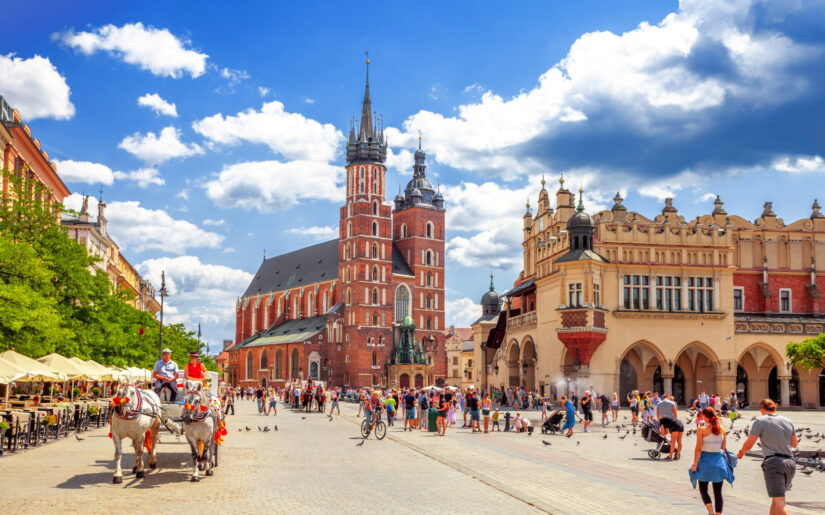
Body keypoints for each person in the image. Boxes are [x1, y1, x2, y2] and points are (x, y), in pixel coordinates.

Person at [737, 398, 797, 515]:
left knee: (779, 501)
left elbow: (749, 443)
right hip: (790, 463)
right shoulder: (788, 421)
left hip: (774, 463)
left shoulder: (760, 421)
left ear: (762, 409)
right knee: (776, 499)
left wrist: (741, 452)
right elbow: (794, 444)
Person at [690, 407, 731, 515]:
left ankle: (711, 512)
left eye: (702, 416)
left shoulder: (701, 429)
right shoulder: (722, 429)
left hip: (705, 463)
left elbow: (698, 448)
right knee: (718, 492)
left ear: (705, 416)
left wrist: (695, 464)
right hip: (718, 462)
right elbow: (723, 447)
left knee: (703, 490)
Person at [658, 394, 682, 460]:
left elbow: (658, 416)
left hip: (673, 424)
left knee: (673, 441)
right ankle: (677, 455)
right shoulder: (672, 403)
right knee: (679, 441)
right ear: (668, 397)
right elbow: (675, 413)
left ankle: (670, 456)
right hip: (679, 423)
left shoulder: (659, 404)